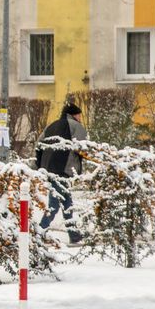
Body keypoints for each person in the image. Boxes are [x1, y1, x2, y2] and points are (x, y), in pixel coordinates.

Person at [35, 102, 87, 243]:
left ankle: (74, 235)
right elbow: (82, 148)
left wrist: (41, 165)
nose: (80, 118)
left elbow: (38, 145)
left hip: (50, 169)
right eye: (79, 115)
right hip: (64, 169)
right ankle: (38, 233)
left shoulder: (51, 126)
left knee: (67, 203)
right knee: (54, 205)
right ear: (74, 115)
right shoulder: (76, 126)